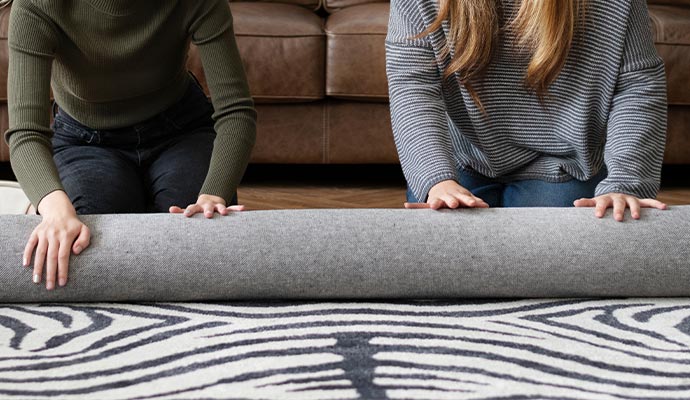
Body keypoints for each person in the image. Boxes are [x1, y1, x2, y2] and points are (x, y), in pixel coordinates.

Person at [3, 0, 257, 290]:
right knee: (86, 241)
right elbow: (26, 132)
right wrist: (54, 207)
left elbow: (236, 111)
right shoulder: (36, 5)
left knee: (199, 238)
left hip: (180, 130)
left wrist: (214, 194)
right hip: (85, 140)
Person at [386, 0, 668, 219]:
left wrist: (625, 184)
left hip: (567, 161)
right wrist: (437, 179)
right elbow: (411, 85)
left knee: (559, 258)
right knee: (446, 251)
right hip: (466, 157)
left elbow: (637, 86)